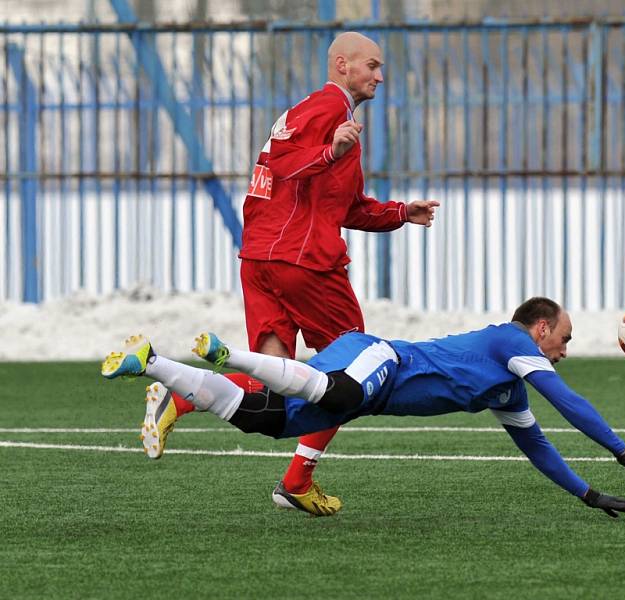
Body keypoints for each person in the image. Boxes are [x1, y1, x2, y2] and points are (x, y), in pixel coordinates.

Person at [139, 31, 439, 516]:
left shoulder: (323, 118)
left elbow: (345, 207)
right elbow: (285, 165)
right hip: (303, 262)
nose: (380, 77)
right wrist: (329, 152)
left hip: (263, 258)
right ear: (342, 65)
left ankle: (184, 395)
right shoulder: (326, 112)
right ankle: (297, 481)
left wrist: (401, 212)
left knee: (276, 382)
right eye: (373, 66)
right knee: (355, 374)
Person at [105, 297, 625, 518]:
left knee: (261, 422)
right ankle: (232, 353)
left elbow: (538, 445)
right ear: (540, 328)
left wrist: (587, 493)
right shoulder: (513, 342)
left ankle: (150, 361)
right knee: (342, 397)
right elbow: (567, 401)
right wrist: (620, 450)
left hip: (368, 385)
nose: (564, 350)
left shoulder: (508, 389)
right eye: (562, 338)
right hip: (380, 358)